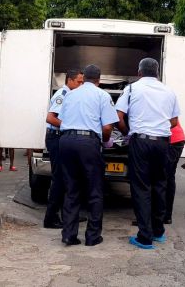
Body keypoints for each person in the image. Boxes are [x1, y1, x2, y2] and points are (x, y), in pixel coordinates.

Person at [116, 58, 180, 250]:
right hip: (162, 143)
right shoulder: (169, 91)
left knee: (141, 187)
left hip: (140, 142)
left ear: (139, 72)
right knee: (160, 185)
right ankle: (158, 232)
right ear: (158, 73)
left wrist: (129, 132)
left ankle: (144, 237)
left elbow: (118, 116)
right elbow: (174, 122)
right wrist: (158, 128)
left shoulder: (132, 89)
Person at [58, 64, 118, 247]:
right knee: (94, 190)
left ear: (83, 79)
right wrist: (105, 141)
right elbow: (107, 127)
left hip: (66, 141)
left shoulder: (70, 94)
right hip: (88, 143)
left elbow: (61, 118)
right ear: (99, 80)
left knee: (71, 189)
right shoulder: (102, 95)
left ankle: (69, 235)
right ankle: (92, 237)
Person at [43, 69, 84, 229]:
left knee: (69, 178)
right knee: (59, 178)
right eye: (79, 82)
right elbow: (50, 118)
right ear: (70, 81)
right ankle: (50, 218)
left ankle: (69, 214)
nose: (81, 85)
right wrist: (70, 126)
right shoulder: (63, 94)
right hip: (56, 138)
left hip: (64, 138)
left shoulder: (73, 95)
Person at [164, 121, 185, 225]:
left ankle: (162, 215)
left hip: (170, 140)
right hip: (177, 139)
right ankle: (166, 216)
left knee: (163, 178)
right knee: (169, 177)